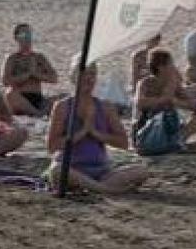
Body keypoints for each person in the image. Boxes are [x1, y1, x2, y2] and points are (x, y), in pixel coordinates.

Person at [46, 61, 147, 194]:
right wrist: (82, 132)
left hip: (101, 171)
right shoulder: (62, 107)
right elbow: (52, 146)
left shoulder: (105, 107)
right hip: (72, 169)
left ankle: (94, 187)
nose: (88, 78)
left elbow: (123, 143)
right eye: (84, 73)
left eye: (92, 74)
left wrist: (96, 133)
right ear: (73, 77)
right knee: (56, 171)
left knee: (141, 171)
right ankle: (106, 189)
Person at [132, 49, 196, 155]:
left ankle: (176, 143)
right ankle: (176, 145)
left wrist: (175, 102)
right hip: (145, 129)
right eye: (171, 64)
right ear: (161, 67)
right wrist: (162, 100)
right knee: (166, 115)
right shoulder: (145, 83)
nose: (173, 67)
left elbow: (193, 105)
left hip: (167, 125)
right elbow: (140, 103)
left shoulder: (172, 83)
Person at [2, 23, 59, 116]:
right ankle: (38, 113)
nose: (28, 38)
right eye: (24, 35)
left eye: (29, 34)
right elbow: (5, 80)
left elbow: (54, 78)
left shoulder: (39, 57)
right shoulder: (12, 58)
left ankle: (39, 111)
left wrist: (36, 74)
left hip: (38, 97)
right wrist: (27, 75)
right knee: (9, 94)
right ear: (16, 38)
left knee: (63, 97)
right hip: (20, 97)